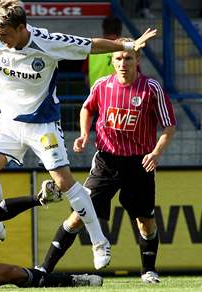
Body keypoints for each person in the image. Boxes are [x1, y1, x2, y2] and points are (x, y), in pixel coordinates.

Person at [0, 0, 156, 270]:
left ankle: (99, 241)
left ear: (22, 28)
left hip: (42, 124)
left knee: (64, 182)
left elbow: (91, 44)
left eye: (6, 34)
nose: (2, 39)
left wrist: (126, 45)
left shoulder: (48, 42)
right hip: (8, 123)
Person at [36, 37, 176, 284]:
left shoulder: (151, 88)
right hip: (106, 161)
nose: (123, 63)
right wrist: (83, 134)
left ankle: (148, 271)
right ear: (112, 60)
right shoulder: (101, 85)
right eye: (119, 58)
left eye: (128, 58)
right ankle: (44, 268)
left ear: (138, 60)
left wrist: (155, 153)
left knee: (145, 221)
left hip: (139, 163)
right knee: (79, 214)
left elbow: (169, 126)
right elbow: (87, 109)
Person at [83, 15, 122, 88]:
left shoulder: (93, 49)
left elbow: (87, 80)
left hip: (97, 95)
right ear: (120, 31)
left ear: (104, 30)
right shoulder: (127, 51)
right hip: (120, 96)